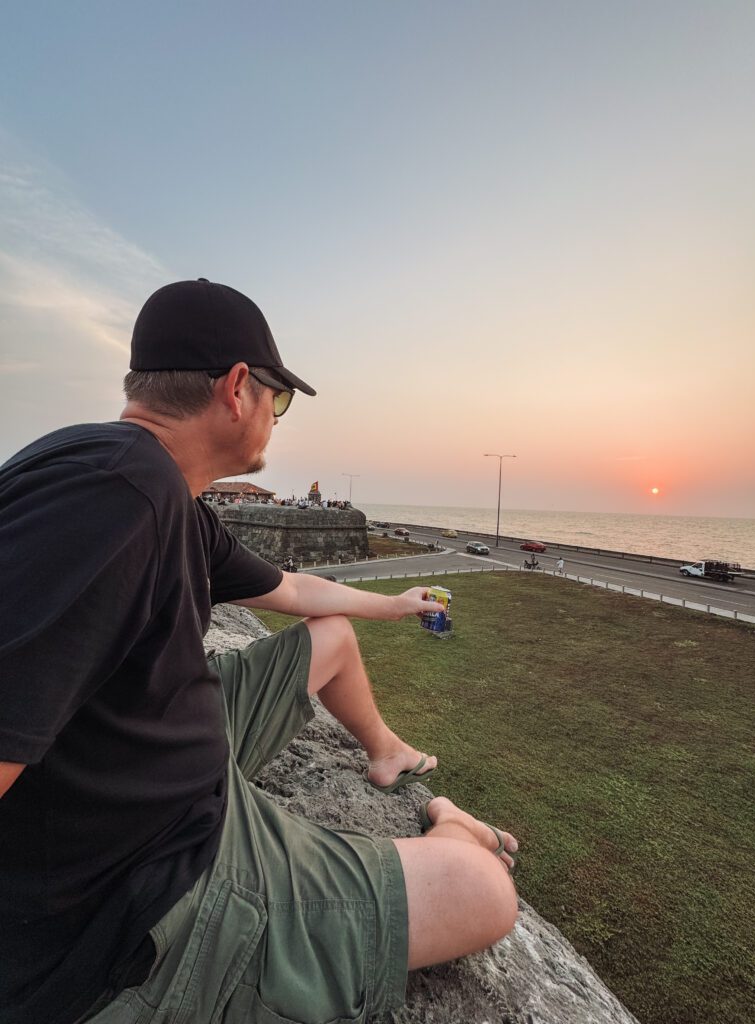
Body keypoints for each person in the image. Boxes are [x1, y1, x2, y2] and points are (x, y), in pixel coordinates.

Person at [0, 279, 518, 1024]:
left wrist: (396, 606)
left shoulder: (148, 484)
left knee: (331, 637)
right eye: (279, 400)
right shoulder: (117, 499)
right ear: (239, 389)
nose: (276, 421)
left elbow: (299, 594)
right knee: (482, 892)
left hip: (153, 754)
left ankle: (386, 753)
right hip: (152, 888)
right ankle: (452, 829)